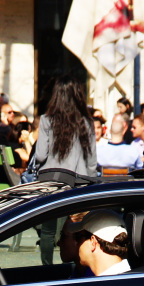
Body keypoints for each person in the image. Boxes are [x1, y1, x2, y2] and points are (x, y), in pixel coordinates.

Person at [28, 75, 98, 263]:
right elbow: (92, 161)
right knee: (77, 228)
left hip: (52, 181)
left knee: (49, 230)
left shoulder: (46, 120)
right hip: (80, 183)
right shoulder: (87, 122)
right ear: (78, 95)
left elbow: (41, 154)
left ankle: (48, 269)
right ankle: (74, 266)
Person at [72, 210, 132, 277]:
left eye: (78, 238)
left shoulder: (108, 284)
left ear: (93, 242)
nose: (76, 244)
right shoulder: (127, 278)